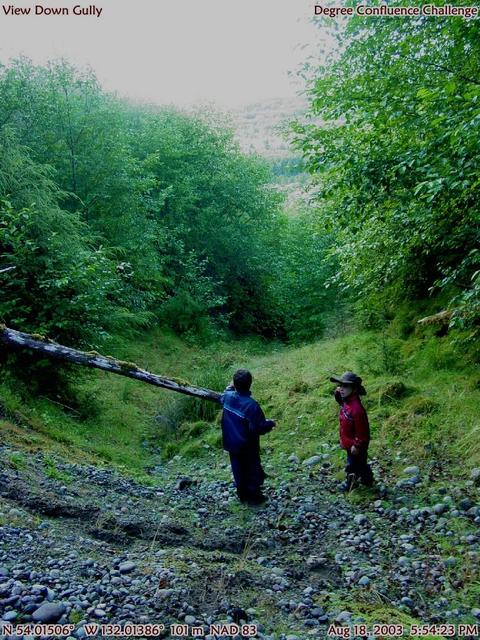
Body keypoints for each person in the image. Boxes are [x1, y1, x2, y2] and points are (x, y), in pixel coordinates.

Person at [220, 369, 276, 505]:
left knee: (237, 468)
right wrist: (271, 423)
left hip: (230, 442)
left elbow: (224, 393)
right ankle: (254, 497)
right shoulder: (252, 405)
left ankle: (242, 494)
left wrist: (231, 386)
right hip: (247, 445)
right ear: (250, 384)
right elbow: (259, 428)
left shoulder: (227, 397)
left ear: (234, 384)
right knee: (251, 468)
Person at [330, 371, 373, 491]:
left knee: (352, 465)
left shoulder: (356, 409)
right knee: (361, 464)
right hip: (349, 442)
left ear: (354, 389)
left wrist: (357, 445)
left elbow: (362, 431)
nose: (341, 389)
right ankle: (367, 479)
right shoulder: (347, 402)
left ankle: (350, 485)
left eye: (345, 386)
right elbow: (340, 400)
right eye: (340, 386)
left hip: (356, 444)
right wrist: (337, 392)